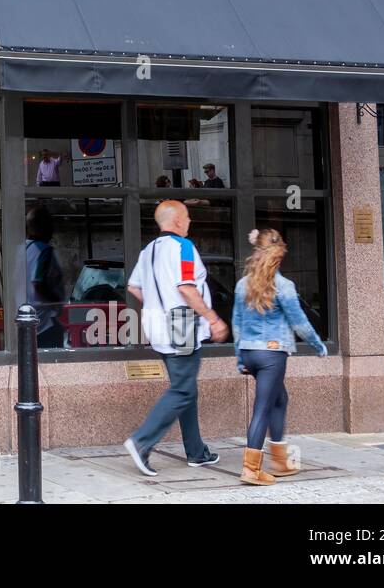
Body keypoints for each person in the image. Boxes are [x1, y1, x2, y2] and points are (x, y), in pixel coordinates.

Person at [123, 200, 228, 476]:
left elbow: (133, 287)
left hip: (157, 326)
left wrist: (157, 305)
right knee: (183, 390)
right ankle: (141, 441)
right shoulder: (183, 247)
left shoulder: (148, 250)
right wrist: (213, 318)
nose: (190, 221)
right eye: (188, 216)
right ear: (178, 220)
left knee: (185, 388)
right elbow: (187, 288)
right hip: (182, 324)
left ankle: (196, 452)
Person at [233, 228, 328, 486]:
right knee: (263, 407)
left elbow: (237, 324)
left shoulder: (243, 285)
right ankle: (251, 469)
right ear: (279, 255)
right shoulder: (283, 286)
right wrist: (318, 345)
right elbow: (299, 322)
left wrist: (240, 358)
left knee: (279, 399)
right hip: (272, 354)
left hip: (250, 352)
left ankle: (279, 460)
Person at [22, 206, 66, 348]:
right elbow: (38, 282)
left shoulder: (22, 250)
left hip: (26, 321)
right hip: (44, 322)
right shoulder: (43, 251)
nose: (52, 230)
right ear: (42, 227)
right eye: (50, 225)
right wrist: (57, 301)